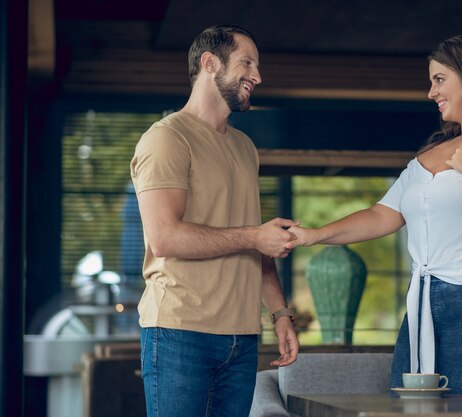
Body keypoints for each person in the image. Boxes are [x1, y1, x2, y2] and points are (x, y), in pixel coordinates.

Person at [287, 34, 462, 394]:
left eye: (439, 80)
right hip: (427, 299)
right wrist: (314, 235)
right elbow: (382, 215)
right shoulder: (430, 155)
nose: (431, 92)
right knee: (410, 404)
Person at [130, 25, 299, 417]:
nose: (257, 76)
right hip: (179, 333)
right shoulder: (167, 138)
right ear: (210, 63)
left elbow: (254, 240)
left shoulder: (244, 147)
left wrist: (280, 314)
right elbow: (165, 239)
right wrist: (256, 236)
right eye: (247, 63)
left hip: (241, 337)